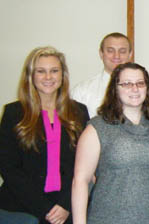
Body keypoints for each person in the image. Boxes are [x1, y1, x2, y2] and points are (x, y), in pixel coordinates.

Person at [71, 62, 149, 224]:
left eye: (140, 83)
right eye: (126, 83)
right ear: (115, 88)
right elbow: (81, 179)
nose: (134, 88)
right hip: (108, 219)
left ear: (147, 88)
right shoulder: (97, 128)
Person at [0, 46, 90, 224]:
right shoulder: (13, 113)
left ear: (62, 75)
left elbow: (84, 164)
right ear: (30, 76)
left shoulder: (78, 111)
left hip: (67, 208)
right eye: (41, 71)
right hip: (22, 210)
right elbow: (9, 168)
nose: (48, 77)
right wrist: (44, 209)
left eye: (54, 71)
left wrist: (65, 205)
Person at [71, 32, 133, 118]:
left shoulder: (142, 90)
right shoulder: (82, 91)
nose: (116, 56)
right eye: (110, 51)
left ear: (130, 54)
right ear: (101, 54)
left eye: (122, 51)